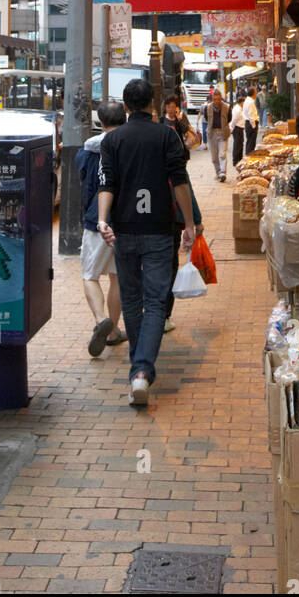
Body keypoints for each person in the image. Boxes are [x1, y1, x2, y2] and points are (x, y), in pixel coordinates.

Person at [97, 78, 194, 407]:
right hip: (158, 230)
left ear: (125, 107)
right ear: (152, 104)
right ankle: (141, 372)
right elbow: (179, 180)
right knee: (155, 302)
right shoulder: (166, 135)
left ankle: (138, 370)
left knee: (131, 298)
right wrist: (190, 223)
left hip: (124, 230)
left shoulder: (113, 140)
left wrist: (102, 220)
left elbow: (106, 183)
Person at [76, 102, 128, 358]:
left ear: (101, 121)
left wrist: (89, 213)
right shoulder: (129, 145)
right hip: (124, 221)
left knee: (90, 275)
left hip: (97, 220)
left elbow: (86, 187)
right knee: (116, 277)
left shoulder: (88, 150)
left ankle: (100, 320)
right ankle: (113, 330)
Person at [160, 94, 204, 333]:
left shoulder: (180, 122)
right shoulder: (175, 168)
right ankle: (163, 315)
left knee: (154, 267)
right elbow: (184, 190)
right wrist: (194, 222)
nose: (171, 107)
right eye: (169, 104)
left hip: (147, 224)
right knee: (168, 266)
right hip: (170, 222)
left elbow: (195, 139)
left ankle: (153, 313)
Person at [203, 87, 231, 181]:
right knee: (214, 157)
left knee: (222, 154)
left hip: (223, 132)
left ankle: (223, 173)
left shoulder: (227, 107)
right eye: (215, 99)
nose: (217, 101)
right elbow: (207, 119)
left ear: (221, 98)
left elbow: (229, 119)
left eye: (218, 99)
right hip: (212, 133)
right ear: (212, 99)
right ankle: (218, 172)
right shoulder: (207, 108)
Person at [230, 92, 245, 171]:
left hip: (240, 128)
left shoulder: (240, 109)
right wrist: (231, 129)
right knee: (237, 145)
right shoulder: (237, 109)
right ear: (241, 102)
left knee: (240, 144)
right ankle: (235, 160)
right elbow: (234, 120)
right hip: (237, 128)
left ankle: (239, 159)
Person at [243, 85, 260, 155]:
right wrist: (254, 126)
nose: (257, 93)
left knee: (250, 142)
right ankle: (249, 157)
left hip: (249, 123)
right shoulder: (250, 102)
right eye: (256, 92)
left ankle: (248, 155)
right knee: (251, 143)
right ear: (253, 93)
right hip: (251, 124)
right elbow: (251, 115)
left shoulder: (248, 100)